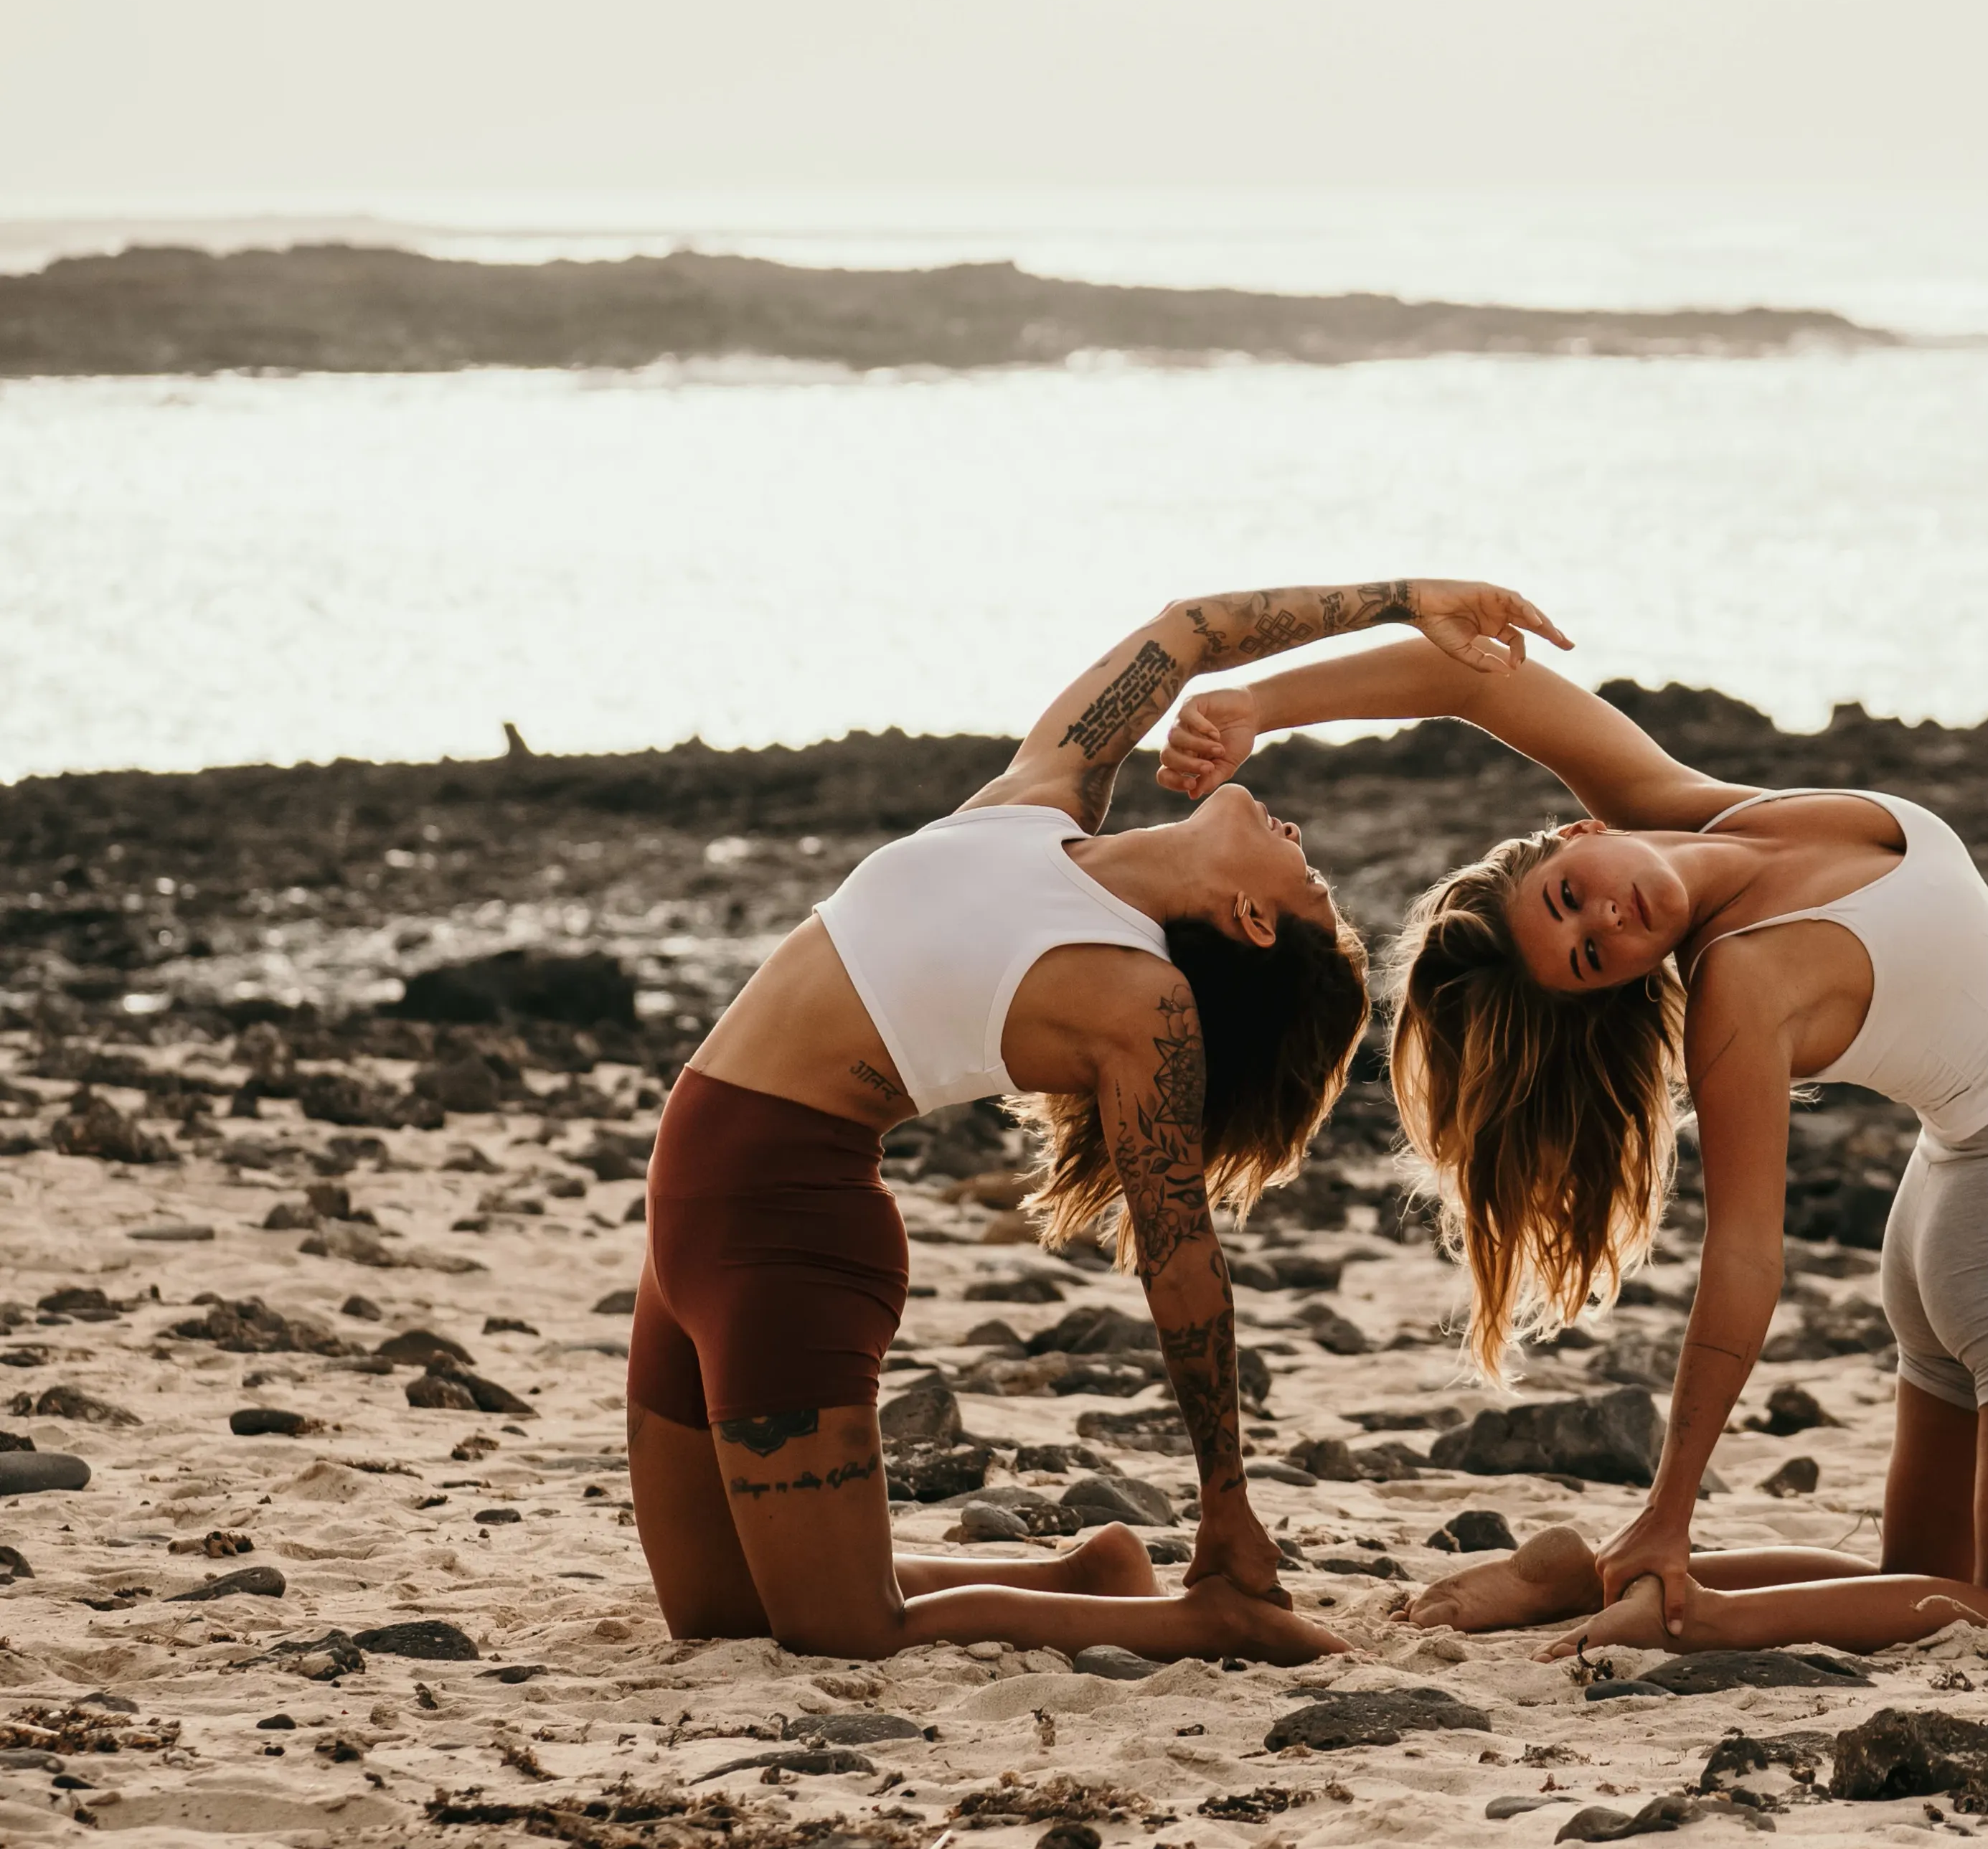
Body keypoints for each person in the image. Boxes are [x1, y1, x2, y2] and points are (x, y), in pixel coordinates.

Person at [628, 578, 1561, 1664]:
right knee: (717, 1618)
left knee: (841, 1632)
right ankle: (1087, 1577)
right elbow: (1190, 633)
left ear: (1253, 921)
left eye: (1308, 880)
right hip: (686, 1218)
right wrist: (1408, 599)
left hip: (785, 1236)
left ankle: (1194, 1618)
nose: (1300, 835)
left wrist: (1226, 1506)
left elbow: (1181, 1260)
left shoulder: (1135, 1003)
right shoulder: (1040, 802)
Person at [1158, 639, 1988, 1651]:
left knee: (1924, 1586)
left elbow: (1474, 681)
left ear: (1575, 832)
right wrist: (1672, 1509)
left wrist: (1257, 702)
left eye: (1568, 894)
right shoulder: (1739, 988)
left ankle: (1588, 1584)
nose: (1610, 918)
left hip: (1957, 1201)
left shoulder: (1694, 807)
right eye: (1591, 957)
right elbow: (1747, 1257)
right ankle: (1683, 1612)